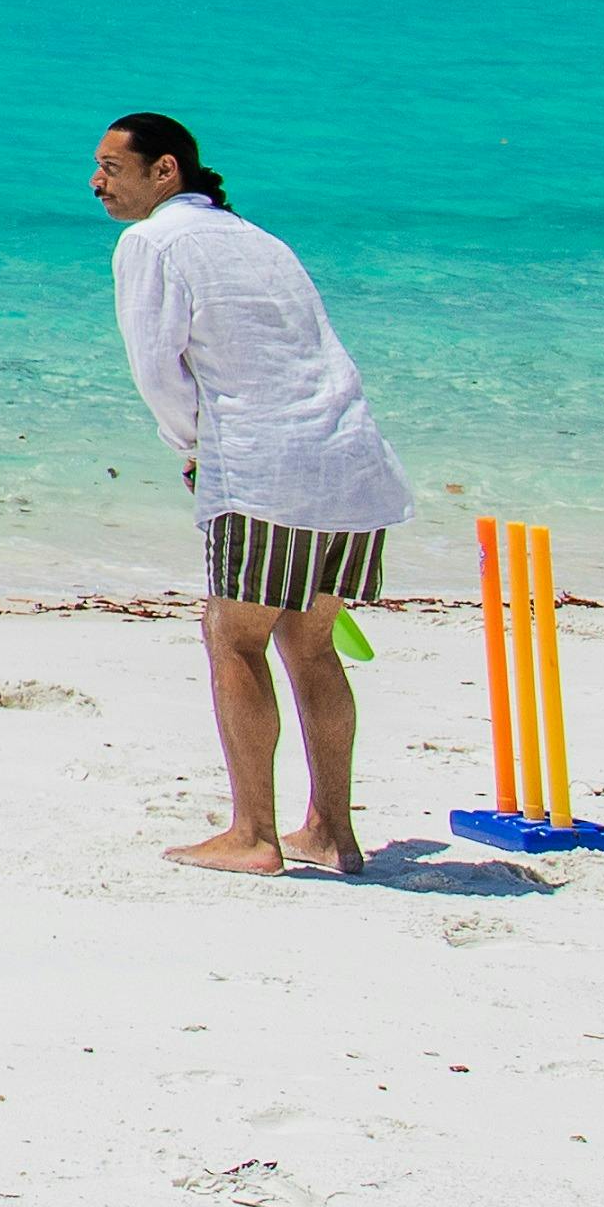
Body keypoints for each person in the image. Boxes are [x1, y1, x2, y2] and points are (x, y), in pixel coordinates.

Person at [95, 110, 413, 880]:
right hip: (350, 457)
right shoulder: (258, 237)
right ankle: (332, 831)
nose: (96, 181)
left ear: (165, 170)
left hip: (265, 468)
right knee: (310, 642)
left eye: (111, 165)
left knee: (232, 636)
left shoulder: (151, 241)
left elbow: (157, 368)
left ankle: (254, 834)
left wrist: (192, 451)